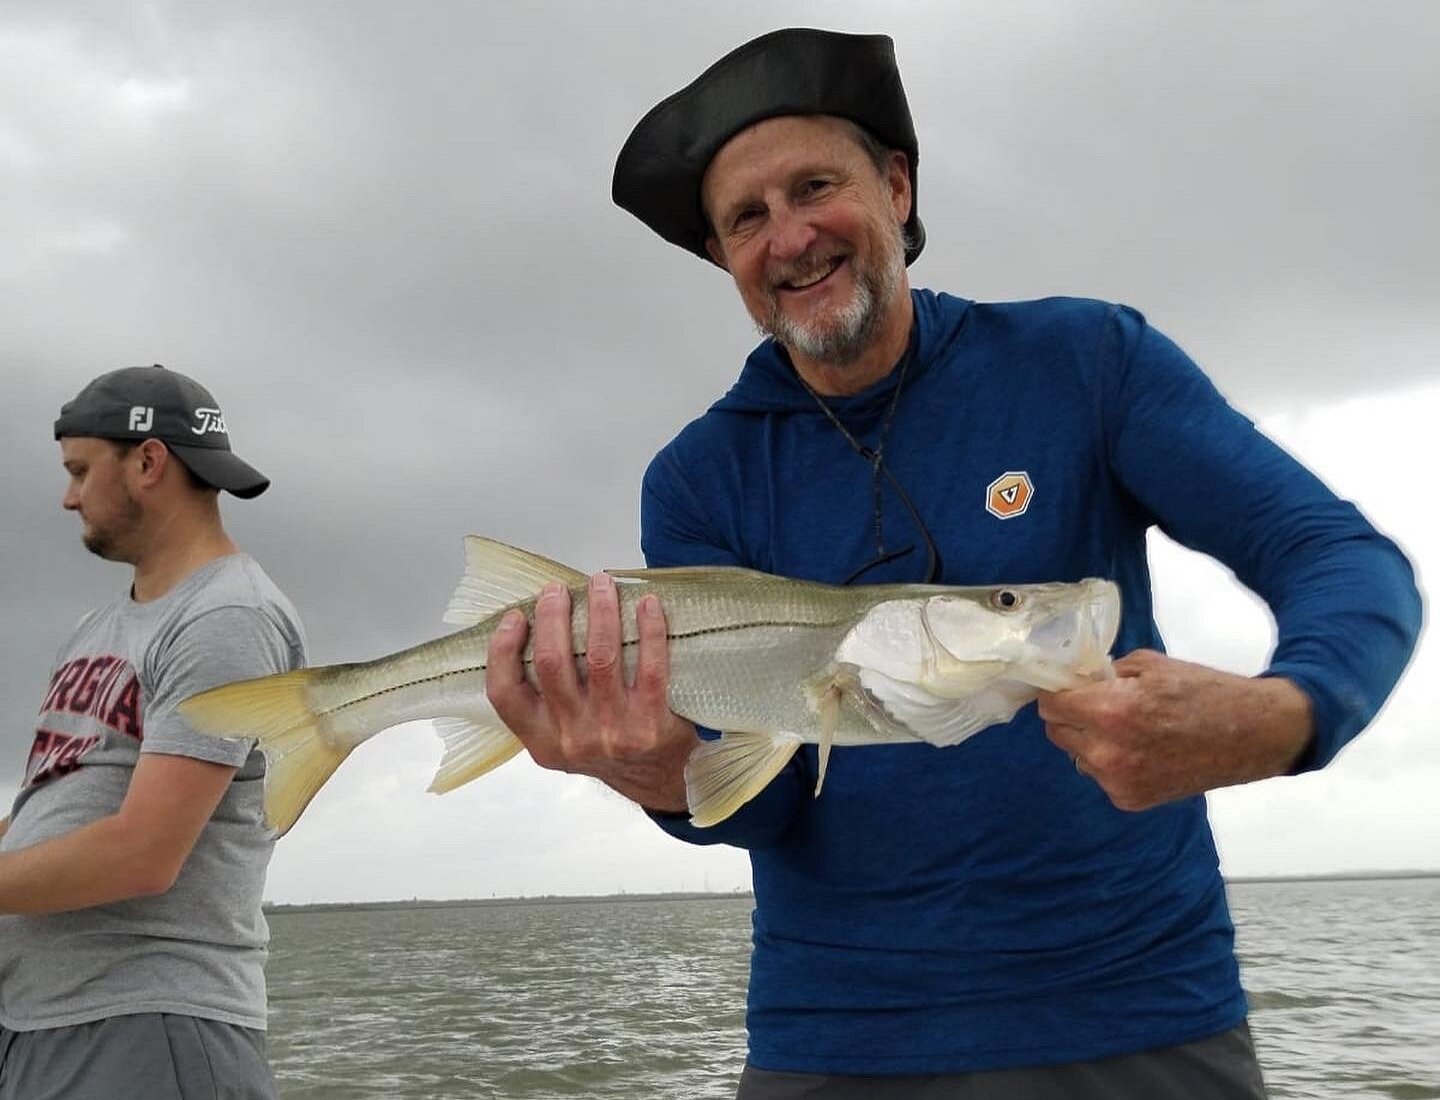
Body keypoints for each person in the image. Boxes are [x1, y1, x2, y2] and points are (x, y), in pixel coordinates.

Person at [486, 28, 1423, 1099]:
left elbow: (1339, 554)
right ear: (722, 258)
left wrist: (1289, 713)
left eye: (815, 185)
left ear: (896, 185)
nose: (788, 236)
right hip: (836, 1036)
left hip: (1137, 1011)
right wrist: (661, 777)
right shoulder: (701, 478)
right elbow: (769, 801)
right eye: (746, 217)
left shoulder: (1086, 363)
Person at [0, 365, 306, 1100]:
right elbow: (54, 807)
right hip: (45, 1021)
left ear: (147, 460)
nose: (68, 496)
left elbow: (143, 853)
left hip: (146, 1027)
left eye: (79, 470)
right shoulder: (99, 625)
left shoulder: (226, 617)